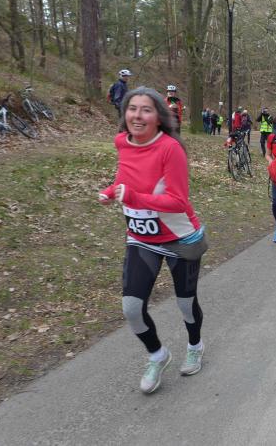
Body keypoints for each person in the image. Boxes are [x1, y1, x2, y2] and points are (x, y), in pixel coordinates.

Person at [98, 87, 207, 394]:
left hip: (179, 238)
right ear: (124, 114)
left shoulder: (170, 149)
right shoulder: (122, 142)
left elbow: (177, 201)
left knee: (185, 304)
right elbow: (124, 178)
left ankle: (195, 345)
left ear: (159, 117)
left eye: (146, 109)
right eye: (132, 108)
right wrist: (111, 191)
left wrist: (134, 197)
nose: (137, 115)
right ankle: (157, 355)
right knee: (132, 308)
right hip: (141, 237)